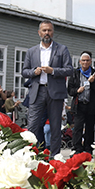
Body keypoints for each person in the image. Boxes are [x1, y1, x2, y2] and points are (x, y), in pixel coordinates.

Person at [22, 20, 73, 157]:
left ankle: (54, 157)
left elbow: (69, 70)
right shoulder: (32, 51)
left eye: (49, 30)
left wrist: (53, 71)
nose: (47, 33)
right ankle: (30, 155)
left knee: (55, 127)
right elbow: (24, 71)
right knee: (32, 126)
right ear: (39, 32)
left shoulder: (62, 49)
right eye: (44, 30)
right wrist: (34, 72)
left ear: (53, 32)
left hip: (55, 93)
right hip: (37, 92)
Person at [68, 51, 95, 153]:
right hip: (79, 105)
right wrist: (77, 91)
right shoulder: (75, 73)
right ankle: (77, 149)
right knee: (77, 128)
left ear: (91, 61)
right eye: (83, 60)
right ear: (80, 62)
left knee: (90, 128)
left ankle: (88, 149)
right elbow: (70, 90)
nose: (85, 62)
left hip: (91, 105)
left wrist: (93, 83)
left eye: (87, 60)